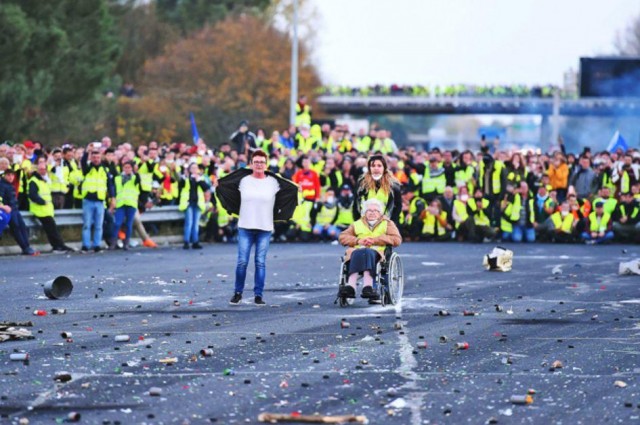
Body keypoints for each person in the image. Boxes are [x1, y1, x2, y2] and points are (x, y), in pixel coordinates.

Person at [216, 150, 298, 306]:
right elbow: (228, 187)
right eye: (256, 162)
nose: (259, 164)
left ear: (266, 164)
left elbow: (289, 190)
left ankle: (258, 295)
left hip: (265, 227)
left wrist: (296, 189)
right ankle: (237, 293)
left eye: (262, 162)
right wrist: (219, 184)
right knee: (242, 262)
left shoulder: (274, 182)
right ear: (251, 164)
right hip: (245, 226)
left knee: (260, 262)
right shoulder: (243, 180)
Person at [338, 198, 402, 301]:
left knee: (367, 252)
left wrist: (375, 240)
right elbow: (342, 237)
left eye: (375, 211)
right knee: (358, 252)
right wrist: (358, 241)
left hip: (378, 253)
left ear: (380, 213)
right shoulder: (357, 224)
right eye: (369, 210)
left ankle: (367, 286)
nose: (372, 213)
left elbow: (397, 239)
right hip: (357, 251)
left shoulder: (387, 223)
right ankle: (351, 286)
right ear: (364, 212)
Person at [28, 157, 73, 252]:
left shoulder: (44, 180)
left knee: (52, 229)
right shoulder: (34, 181)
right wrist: (42, 202)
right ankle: (59, 246)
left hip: (46, 209)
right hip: (39, 209)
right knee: (52, 229)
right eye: (40, 169)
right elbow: (32, 195)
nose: (43, 171)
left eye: (44, 169)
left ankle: (58, 245)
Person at [81, 143, 115, 252]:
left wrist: (113, 197)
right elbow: (82, 162)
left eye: (98, 157)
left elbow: (110, 185)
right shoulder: (88, 168)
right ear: (91, 158)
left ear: (101, 158)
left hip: (100, 201)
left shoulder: (104, 170)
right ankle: (86, 245)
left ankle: (96, 245)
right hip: (88, 200)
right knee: (87, 224)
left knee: (98, 225)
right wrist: (87, 151)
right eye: (94, 157)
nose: (96, 159)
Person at [354, 155, 402, 228]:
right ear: (369, 168)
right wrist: (358, 223)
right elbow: (356, 205)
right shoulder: (362, 184)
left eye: (379, 166)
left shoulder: (393, 185)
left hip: (386, 224)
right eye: (373, 166)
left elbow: (398, 206)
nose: (376, 168)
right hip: (366, 225)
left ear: (384, 168)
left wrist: (392, 223)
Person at [0, 169, 38, 255]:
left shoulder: (9, 185)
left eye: (12, 175)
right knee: (16, 228)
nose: (11, 177)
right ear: (4, 176)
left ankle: (27, 247)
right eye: (8, 175)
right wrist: (3, 207)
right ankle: (25, 247)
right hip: (8, 211)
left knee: (22, 227)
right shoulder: (2, 185)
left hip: (15, 209)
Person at [179, 163, 211, 249]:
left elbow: (207, 188)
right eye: (192, 168)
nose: (194, 169)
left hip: (198, 203)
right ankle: (186, 242)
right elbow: (180, 185)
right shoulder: (186, 178)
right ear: (189, 169)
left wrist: (199, 180)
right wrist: (185, 176)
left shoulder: (201, 178)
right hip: (188, 203)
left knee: (195, 223)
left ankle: (195, 241)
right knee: (189, 223)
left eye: (196, 168)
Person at [110, 161, 140, 250]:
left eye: (129, 168)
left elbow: (138, 180)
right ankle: (113, 243)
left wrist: (136, 171)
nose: (127, 169)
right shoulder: (117, 178)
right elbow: (114, 190)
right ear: (123, 168)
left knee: (128, 224)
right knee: (117, 223)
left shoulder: (134, 178)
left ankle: (126, 243)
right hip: (120, 203)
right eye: (125, 167)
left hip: (131, 203)